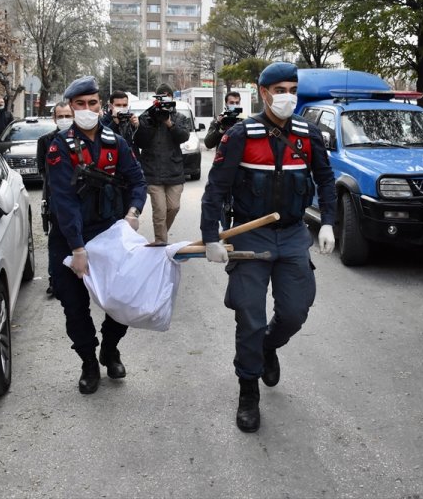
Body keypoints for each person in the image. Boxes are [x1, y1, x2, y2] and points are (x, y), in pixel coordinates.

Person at [200, 62, 337, 433]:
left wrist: (328, 221)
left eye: (292, 90)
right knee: (249, 315)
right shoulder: (240, 135)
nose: (287, 97)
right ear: (263, 93)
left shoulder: (308, 134)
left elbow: (326, 180)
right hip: (249, 233)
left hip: (292, 235)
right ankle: (248, 390)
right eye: (279, 90)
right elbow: (216, 188)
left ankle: (267, 346)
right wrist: (211, 236)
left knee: (295, 312)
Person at [46, 76, 147, 394]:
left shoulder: (115, 142)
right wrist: (78, 249)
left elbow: (137, 181)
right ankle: (89, 362)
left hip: (109, 234)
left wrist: (133, 212)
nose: (87, 109)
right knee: (74, 307)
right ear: (71, 106)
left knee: (122, 298)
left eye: (92, 103)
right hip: (69, 238)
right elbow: (64, 202)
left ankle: (110, 349)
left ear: (100, 104)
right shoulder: (59, 146)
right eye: (80, 104)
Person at [133, 83, 191, 244]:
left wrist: (169, 123)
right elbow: (140, 142)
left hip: (174, 169)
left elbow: (183, 137)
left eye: (167, 96)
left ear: (172, 98)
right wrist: (152, 122)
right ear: (156, 99)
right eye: (161, 97)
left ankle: (161, 236)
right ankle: (161, 243)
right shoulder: (147, 116)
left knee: (173, 207)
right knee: (159, 210)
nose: (165, 100)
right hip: (152, 169)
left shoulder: (180, 117)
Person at [37, 100, 74, 297]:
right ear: (54, 118)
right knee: (56, 239)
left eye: (68, 116)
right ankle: (55, 279)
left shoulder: (80, 138)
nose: (64, 119)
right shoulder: (45, 141)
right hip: (55, 198)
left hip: (78, 195)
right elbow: (44, 172)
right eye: (61, 116)